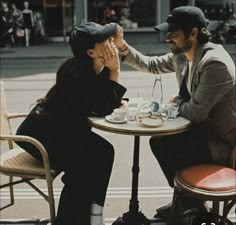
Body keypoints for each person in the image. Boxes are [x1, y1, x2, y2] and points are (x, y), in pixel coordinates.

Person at [114, 5, 236, 219]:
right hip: (202, 131)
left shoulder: (214, 63)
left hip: (222, 143)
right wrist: (122, 47)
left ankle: (189, 205)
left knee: (165, 143)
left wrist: (175, 103)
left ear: (194, 33)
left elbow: (195, 112)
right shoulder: (182, 54)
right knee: (161, 141)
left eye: (173, 33)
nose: (167, 38)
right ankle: (188, 203)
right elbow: (151, 65)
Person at [15, 22, 126, 225]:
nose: (111, 43)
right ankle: (80, 218)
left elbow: (101, 98)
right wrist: (116, 70)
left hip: (60, 132)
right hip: (40, 139)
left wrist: (116, 62)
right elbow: (103, 107)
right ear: (91, 51)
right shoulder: (77, 75)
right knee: (90, 162)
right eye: (106, 41)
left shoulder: (86, 67)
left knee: (101, 154)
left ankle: (88, 216)